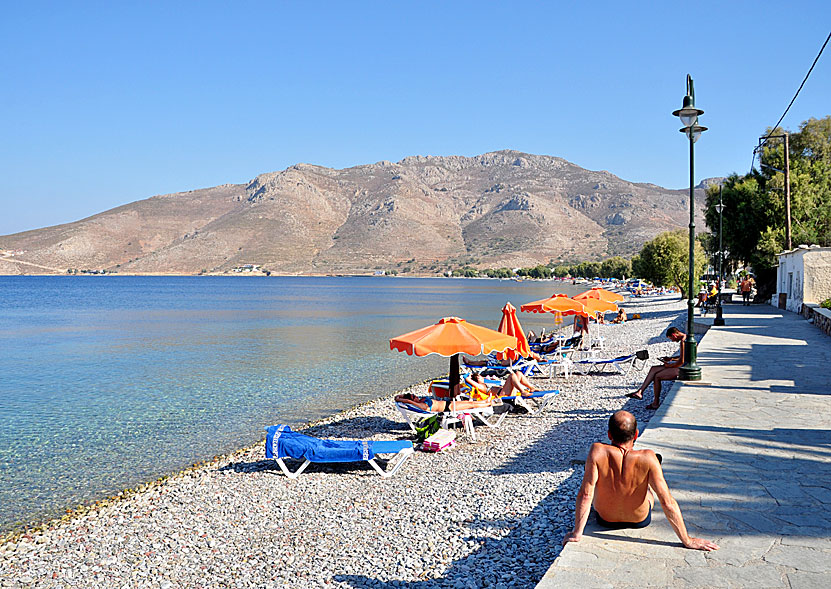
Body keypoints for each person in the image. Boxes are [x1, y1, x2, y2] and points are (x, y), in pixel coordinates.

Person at [562, 411, 719, 551]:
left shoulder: (597, 451)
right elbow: (667, 502)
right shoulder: (648, 456)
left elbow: (585, 494)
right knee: (649, 490)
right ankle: (651, 470)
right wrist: (687, 540)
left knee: (598, 485)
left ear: (609, 435)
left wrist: (577, 533)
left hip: (606, 520)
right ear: (636, 434)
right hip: (639, 520)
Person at [626, 327, 685, 409]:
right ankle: (640, 391)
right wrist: (671, 359)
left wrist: (669, 365)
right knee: (654, 368)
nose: (672, 341)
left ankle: (655, 403)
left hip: (683, 369)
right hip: (682, 365)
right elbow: (684, 356)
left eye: (671, 339)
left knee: (657, 376)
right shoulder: (686, 338)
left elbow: (681, 362)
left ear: (674, 335)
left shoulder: (683, 341)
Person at [462, 371, 538, 399]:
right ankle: (522, 391)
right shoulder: (480, 386)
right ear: (476, 380)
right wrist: (469, 376)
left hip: (505, 391)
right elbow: (467, 380)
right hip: (503, 394)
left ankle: (531, 388)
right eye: (478, 377)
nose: (481, 377)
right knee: (511, 375)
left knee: (518, 373)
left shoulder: (485, 383)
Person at [394, 392, 498, 412]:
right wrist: (407, 400)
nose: (416, 396)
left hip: (448, 404)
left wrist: (402, 397)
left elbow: (397, 397)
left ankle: (485, 401)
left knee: (470, 403)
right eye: (414, 397)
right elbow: (425, 408)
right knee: (471, 405)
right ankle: (488, 403)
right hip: (448, 408)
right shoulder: (420, 404)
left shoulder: (420, 401)